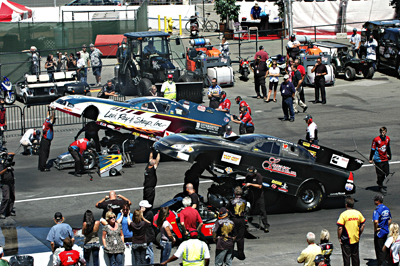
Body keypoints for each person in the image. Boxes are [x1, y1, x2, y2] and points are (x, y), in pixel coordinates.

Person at [337, 197, 366, 266]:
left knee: (346, 257)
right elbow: (363, 225)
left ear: (346, 205)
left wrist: (339, 237)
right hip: (355, 238)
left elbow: (340, 228)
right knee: (355, 256)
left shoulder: (343, 214)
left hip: (346, 239)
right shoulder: (358, 213)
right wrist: (359, 233)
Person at [245, 166, 269, 232]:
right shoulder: (248, 176)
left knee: (262, 210)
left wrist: (250, 184)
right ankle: (248, 221)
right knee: (250, 208)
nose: (250, 175)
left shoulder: (258, 176)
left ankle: (266, 225)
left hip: (259, 196)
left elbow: (260, 186)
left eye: (252, 174)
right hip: (251, 195)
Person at [226, 186, 247, 260]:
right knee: (240, 238)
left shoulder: (231, 201)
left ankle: (230, 255)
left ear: (235, 193)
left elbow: (227, 208)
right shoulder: (244, 201)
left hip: (233, 220)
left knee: (232, 237)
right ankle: (241, 254)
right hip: (241, 220)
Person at [369, 127, 391, 194]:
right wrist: (370, 158)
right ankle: (380, 186)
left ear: (386, 132)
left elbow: (388, 148)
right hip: (378, 159)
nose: (382, 133)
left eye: (383, 132)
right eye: (381, 132)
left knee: (386, 172)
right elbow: (372, 149)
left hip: (385, 158)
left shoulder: (388, 139)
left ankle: (379, 182)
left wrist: (390, 155)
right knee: (380, 174)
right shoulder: (376, 139)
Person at [373, 194, 392, 266]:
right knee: (385, 248)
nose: (374, 201)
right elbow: (390, 219)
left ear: (378, 201)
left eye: (375, 200)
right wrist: (386, 226)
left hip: (379, 233)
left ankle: (381, 264)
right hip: (385, 231)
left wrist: (375, 229)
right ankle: (387, 262)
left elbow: (375, 221)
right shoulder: (387, 208)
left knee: (379, 250)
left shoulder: (377, 210)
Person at [38, 105, 55, 172]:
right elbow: (52, 118)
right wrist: (53, 110)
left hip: (44, 139)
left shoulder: (46, 121)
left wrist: (48, 109)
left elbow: (48, 115)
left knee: (42, 153)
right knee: (45, 154)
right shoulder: (49, 123)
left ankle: (41, 166)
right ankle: (43, 167)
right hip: (46, 140)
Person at [139, 200, 155, 265]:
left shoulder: (149, 213)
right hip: (146, 235)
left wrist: (141, 213)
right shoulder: (147, 212)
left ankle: (151, 263)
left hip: (149, 235)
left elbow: (144, 221)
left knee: (149, 251)